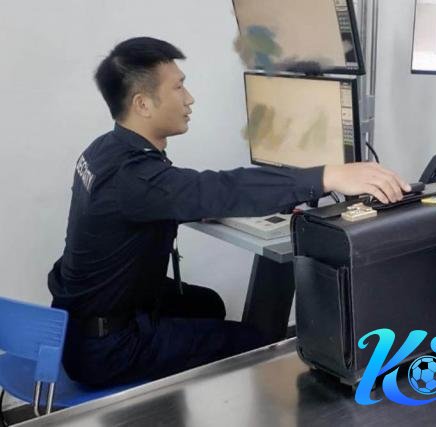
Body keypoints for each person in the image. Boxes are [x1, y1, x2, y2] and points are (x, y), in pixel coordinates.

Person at [48, 37, 410, 387]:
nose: (189, 98)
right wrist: (328, 175)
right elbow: (222, 187)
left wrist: (197, 205)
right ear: (143, 104)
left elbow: (162, 199)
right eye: (178, 87)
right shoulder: (134, 178)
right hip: (108, 348)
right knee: (257, 344)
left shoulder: (104, 150)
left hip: (81, 322)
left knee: (208, 305)